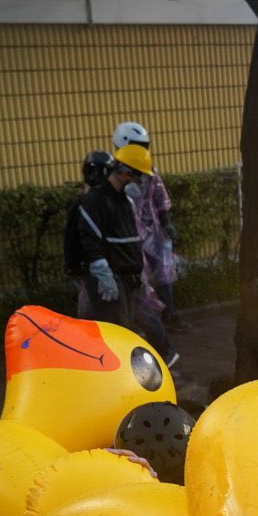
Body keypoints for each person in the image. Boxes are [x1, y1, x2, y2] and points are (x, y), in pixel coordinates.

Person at [74, 143, 176, 365]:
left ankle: (128, 369)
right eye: (137, 176)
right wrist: (102, 271)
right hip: (110, 276)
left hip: (128, 274)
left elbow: (131, 238)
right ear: (124, 172)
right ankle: (114, 373)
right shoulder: (96, 201)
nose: (140, 182)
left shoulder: (124, 200)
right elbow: (89, 239)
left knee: (127, 326)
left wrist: (138, 270)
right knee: (117, 329)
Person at [114, 121, 181, 331]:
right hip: (129, 232)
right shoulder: (114, 171)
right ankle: (145, 322)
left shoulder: (148, 168)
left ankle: (169, 316)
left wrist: (166, 223)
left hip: (153, 228)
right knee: (139, 277)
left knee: (164, 269)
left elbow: (160, 196)